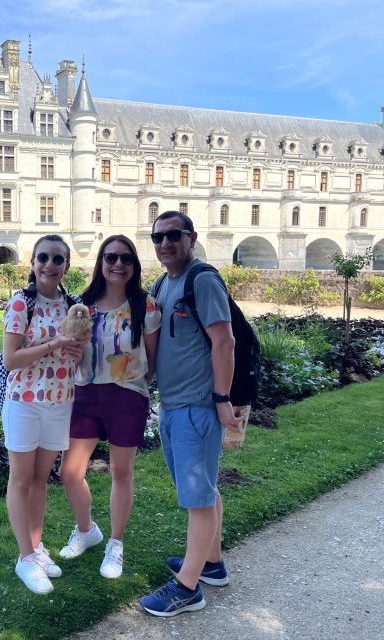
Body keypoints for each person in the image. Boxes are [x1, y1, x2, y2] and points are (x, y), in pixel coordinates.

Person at [139, 211, 246, 617]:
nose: (165, 243)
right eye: (158, 237)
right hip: (173, 403)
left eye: (173, 235)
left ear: (191, 237)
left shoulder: (203, 280)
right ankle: (212, 564)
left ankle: (187, 589)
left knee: (198, 497)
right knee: (204, 488)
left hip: (198, 406)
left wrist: (221, 399)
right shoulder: (164, 283)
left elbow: (224, 343)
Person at [58, 235, 160, 578]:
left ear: (134, 265)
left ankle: (115, 544)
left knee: (121, 471)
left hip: (126, 396)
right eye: (111, 258)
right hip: (86, 394)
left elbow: (153, 355)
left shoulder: (145, 306)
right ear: (101, 262)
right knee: (69, 472)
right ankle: (87, 531)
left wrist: (139, 387)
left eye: (126, 259)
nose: (118, 265)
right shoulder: (81, 305)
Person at [1, 234, 85, 595]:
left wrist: (78, 354)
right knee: (20, 480)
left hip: (59, 401)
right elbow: (11, 359)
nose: (49, 265)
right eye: (43, 258)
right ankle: (25, 558)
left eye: (57, 259)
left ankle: (36, 548)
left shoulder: (73, 306)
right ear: (32, 264)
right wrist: (53, 345)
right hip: (25, 401)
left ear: (67, 265)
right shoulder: (22, 304)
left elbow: (80, 356)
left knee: (40, 480)